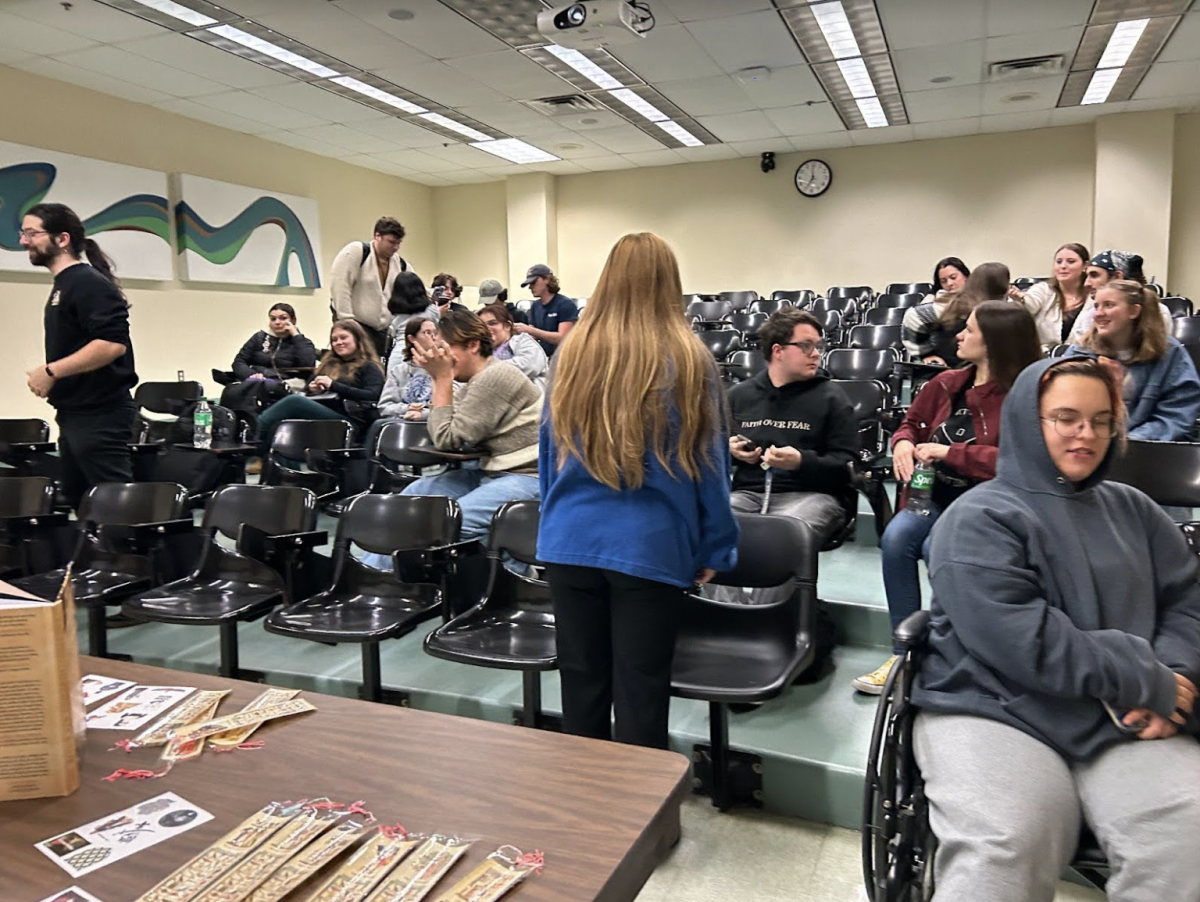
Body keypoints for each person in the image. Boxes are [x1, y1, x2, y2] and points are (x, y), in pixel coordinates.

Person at [910, 356, 1200, 902]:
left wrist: (1177, 678)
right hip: (995, 706)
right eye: (1065, 418)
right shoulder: (978, 516)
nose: (1085, 434)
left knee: (1188, 834)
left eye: (1099, 420)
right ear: (1027, 420)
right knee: (1007, 844)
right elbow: (1017, 636)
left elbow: (1187, 601)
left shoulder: (1135, 509)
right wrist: (1140, 673)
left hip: (1122, 714)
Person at [537, 232, 739, 749]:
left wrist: (553, 528)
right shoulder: (689, 359)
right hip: (649, 543)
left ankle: (583, 810)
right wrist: (716, 546)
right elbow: (710, 468)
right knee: (640, 690)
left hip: (569, 538)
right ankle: (639, 821)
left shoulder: (570, 355)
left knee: (580, 683)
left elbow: (547, 456)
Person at [853, 302, 1042, 694]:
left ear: (994, 341)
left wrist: (949, 453)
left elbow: (1019, 461)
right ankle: (903, 653)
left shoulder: (1027, 395)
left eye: (969, 330)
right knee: (897, 538)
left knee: (940, 546)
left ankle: (955, 651)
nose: (958, 336)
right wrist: (903, 444)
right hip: (933, 495)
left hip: (989, 505)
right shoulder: (945, 383)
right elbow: (909, 425)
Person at [371, 310, 541, 550]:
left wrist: (441, 380)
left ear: (472, 345)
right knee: (411, 501)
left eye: (444, 348)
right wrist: (441, 380)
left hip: (527, 477)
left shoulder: (496, 376)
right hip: (491, 472)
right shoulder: (473, 381)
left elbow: (447, 438)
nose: (440, 356)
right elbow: (443, 426)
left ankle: (512, 567)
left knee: (455, 522)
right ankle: (380, 578)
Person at [19, 202, 137, 509]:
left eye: (32, 233)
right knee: (81, 501)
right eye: (23, 233)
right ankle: (89, 557)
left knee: (114, 505)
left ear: (62, 239)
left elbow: (112, 345)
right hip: (75, 412)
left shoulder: (86, 282)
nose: (23, 241)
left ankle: (134, 558)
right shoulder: (66, 284)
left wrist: (51, 372)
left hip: (100, 414)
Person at [727, 308, 857, 547]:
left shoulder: (832, 398)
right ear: (778, 351)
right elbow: (711, 454)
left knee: (781, 538)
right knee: (710, 528)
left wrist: (801, 462)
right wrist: (732, 452)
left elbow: (846, 466)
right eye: (806, 345)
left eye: (818, 346)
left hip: (813, 495)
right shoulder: (738, 396)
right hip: (747, 493)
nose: (816, 354)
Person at [1064, 280, 1200, 441]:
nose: (1098, 314)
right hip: (1086, 444)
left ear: (1134, 311)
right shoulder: (1079, 351)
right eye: (1096, 306)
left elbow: (1177, 414)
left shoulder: (1170, 353)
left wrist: (1130, 442)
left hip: (1147, 449)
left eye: (1108, 305)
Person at [255, 320, 384, 452]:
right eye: (334, 340)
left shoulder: (369, 366)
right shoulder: (327, 364)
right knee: (283, 425)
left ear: (358, 339)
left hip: (350, 420)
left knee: (294, 402)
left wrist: (333, 385)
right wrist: (311, 389)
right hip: (323, 413)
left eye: (344, 338)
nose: (339, 342)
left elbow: (373, 395)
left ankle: (252, 435)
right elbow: (307, 390)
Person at [328, 216, 413, 358]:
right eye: (391, 242)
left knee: (375, 372)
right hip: (355, 326)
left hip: (381, 331)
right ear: (377, 236)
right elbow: (340, 286)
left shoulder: (400, 263)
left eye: (398, 243)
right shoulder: (356, 251)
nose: (395, 247)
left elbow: (416, 288)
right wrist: (347, 323)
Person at [1067, 250, 1172, 343]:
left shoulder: (1159, 313)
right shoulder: (1088, 317)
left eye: (1094, 275)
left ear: (1117, 277)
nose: (1087, 283)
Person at [1007, 243, 1090, 345]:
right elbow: (1030, 304)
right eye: (1059, 262)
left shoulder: (1093, 296)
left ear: (1085, 266)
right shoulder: (1044, 290)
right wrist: (1020, 299)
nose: (1063, 266)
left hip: (1081, 356)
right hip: (1044, 356)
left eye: (1071, 262)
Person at [902, 257, 970, 363]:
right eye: (944, 281)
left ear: (965, 276)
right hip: (944, 359)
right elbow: (912, 319)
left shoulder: (980, 296)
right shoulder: (931, 301)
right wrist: (926, 355)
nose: (949, 283)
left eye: (953, 277)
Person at [231, 303, 317, 380]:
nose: (277, 322)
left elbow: (308, 367)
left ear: (293, 320)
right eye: (273, 319)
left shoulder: (303, 343)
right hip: (257, 380)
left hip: (286, 383)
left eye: (283, 318)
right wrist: (251, 375)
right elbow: (239, 361)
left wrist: (296, 335)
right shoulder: (259, 338)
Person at [513, 264, 577, 356]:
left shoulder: (565, 304)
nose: (530, 287)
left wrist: (530, 330)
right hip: (543, 357)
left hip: (562, 357)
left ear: (546, 279)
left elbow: (563, 338)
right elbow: (533, 335)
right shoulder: (535, 306)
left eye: (533, 282)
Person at [478, 303, 547, 387]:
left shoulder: (522, 341)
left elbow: (530, 366)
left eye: (493, 323)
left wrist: (485, 368)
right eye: (482, 326)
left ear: (507, 326)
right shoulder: (481, 350)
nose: (487, 329)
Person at [384, 271, 438, 362]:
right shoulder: (432, 310)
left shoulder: (392, 310)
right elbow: (436, 330)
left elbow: (391, 332)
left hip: (399, 352)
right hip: (426, 350)